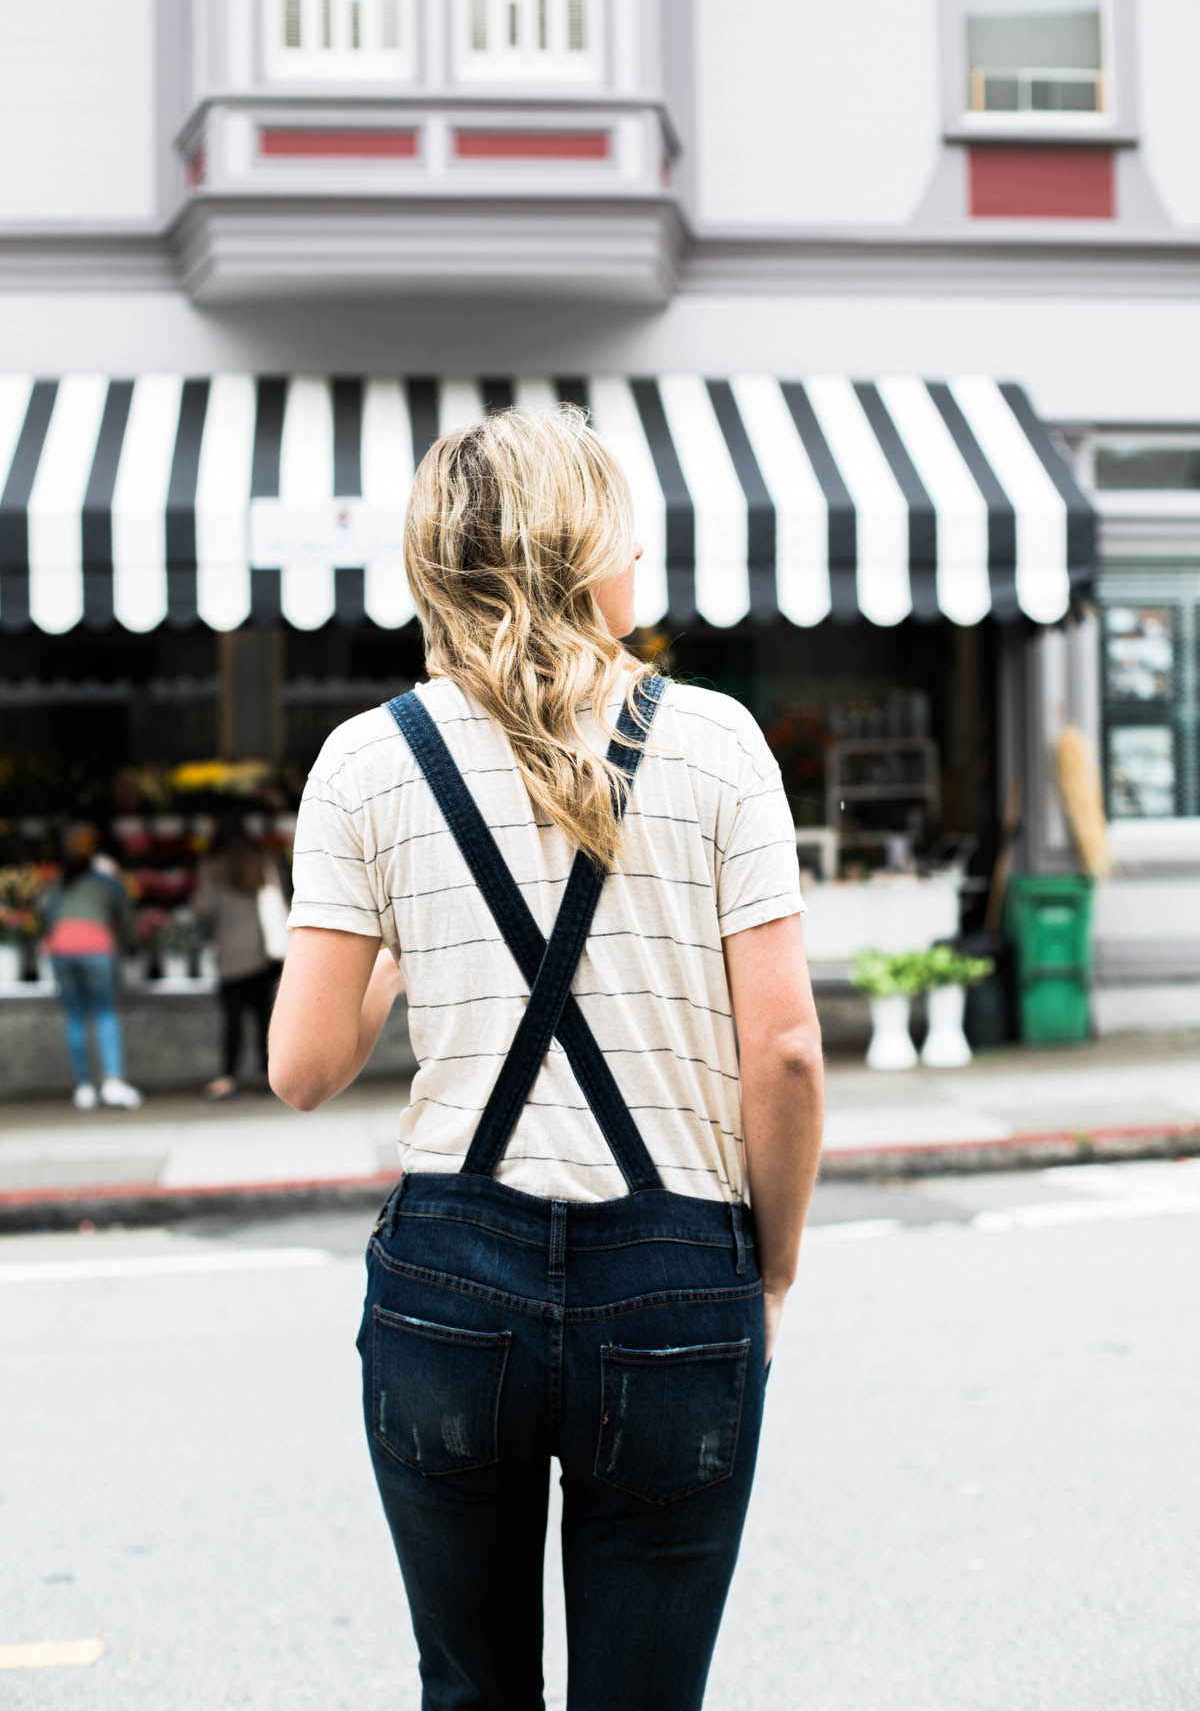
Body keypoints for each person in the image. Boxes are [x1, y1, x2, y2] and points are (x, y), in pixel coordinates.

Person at [268, 407, 825, 1711]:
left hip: (451, 1286)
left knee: (471, 1694)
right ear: (584, 548)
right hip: (679, 1269)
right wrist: (775, 1268)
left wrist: (414, 937)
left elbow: (302, 1067)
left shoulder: (366, 763)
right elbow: (787, 1052)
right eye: (630, 524)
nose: (647, 548)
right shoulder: (717, 741)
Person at [39, 824, 142, 1111]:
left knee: (75, 1017)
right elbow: (126, 916)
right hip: (97, 949)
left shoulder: (57, 884)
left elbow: (43, 915)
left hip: (61, 949)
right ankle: (112, 1082)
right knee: (105, 1013)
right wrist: (133, 946)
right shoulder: (105, 882)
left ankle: (84, 1087)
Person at [193, 821, 286, 1100]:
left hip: (231, 955)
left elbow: (206, 910)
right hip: (264, 952)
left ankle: (229, 1077)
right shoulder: (262, 862)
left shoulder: (211, 868)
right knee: (265, 1018)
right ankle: (266, 1073)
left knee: (232, 1020)